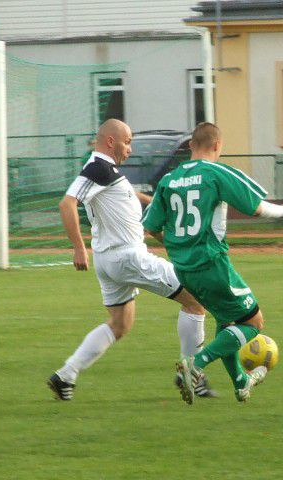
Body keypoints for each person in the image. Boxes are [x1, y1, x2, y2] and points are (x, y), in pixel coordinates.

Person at [48, 119, 216, 400]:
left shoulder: (107, 171)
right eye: (127, 142)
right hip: (128, 257)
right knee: (196, 301)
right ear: (110, 141)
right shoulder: (98, 167)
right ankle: (192, 374)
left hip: (109, 261)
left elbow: (124, 193)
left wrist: (154, 201)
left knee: (120, 324)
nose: (130, 148)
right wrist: (78, 248)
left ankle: (66, 375)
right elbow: (67, 203)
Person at [142, 122, 283, 404]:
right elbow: (256, 208)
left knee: (226, 320)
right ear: (217, 145)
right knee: (253, 322)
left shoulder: (169, 180)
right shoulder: (216, 173)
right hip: (212, 265)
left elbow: (151, 226)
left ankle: (240, 382)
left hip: (183, 270)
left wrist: (177, 247)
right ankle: (196, 364)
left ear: (191, 145)